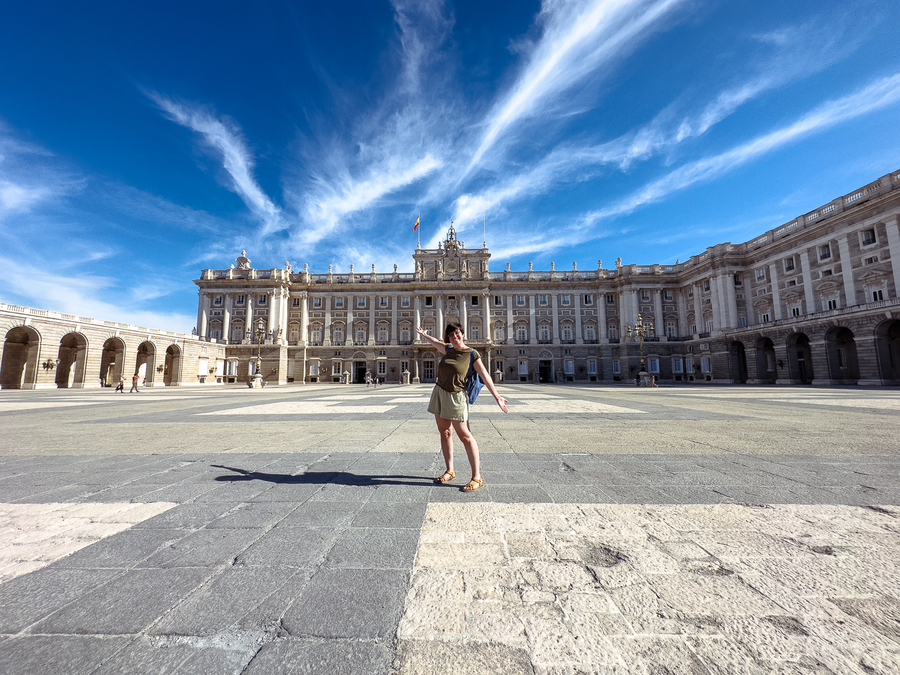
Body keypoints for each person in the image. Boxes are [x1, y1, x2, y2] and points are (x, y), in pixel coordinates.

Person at [417, 323, 509, 492]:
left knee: (465, 436)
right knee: (445, 433)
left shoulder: (472, 354)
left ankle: (477, 477)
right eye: (451, 334)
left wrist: (497, 396)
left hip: (456, 397)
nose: (455, 337)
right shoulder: (448, 349)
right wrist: (424, 335)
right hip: (439, 393)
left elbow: (485, 376)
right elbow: (434, 342)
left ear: (463, 334)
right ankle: (450, 470)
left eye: (457, 333)